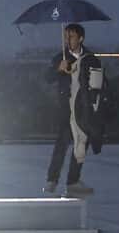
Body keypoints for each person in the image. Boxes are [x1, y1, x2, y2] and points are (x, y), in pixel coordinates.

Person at [43, 23, 106, 194]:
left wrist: (95, 106)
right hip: (66, 109)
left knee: (81, 145)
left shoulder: (91, 59)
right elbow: (47, 78)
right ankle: (52, 180)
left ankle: (73, 181)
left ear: (81, 38)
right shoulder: (60, 58)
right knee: (61, 144)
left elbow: (99, 84)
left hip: (84, 109)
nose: (67, 40)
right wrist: (59, 69)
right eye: (66, 37)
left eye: (70, 36)